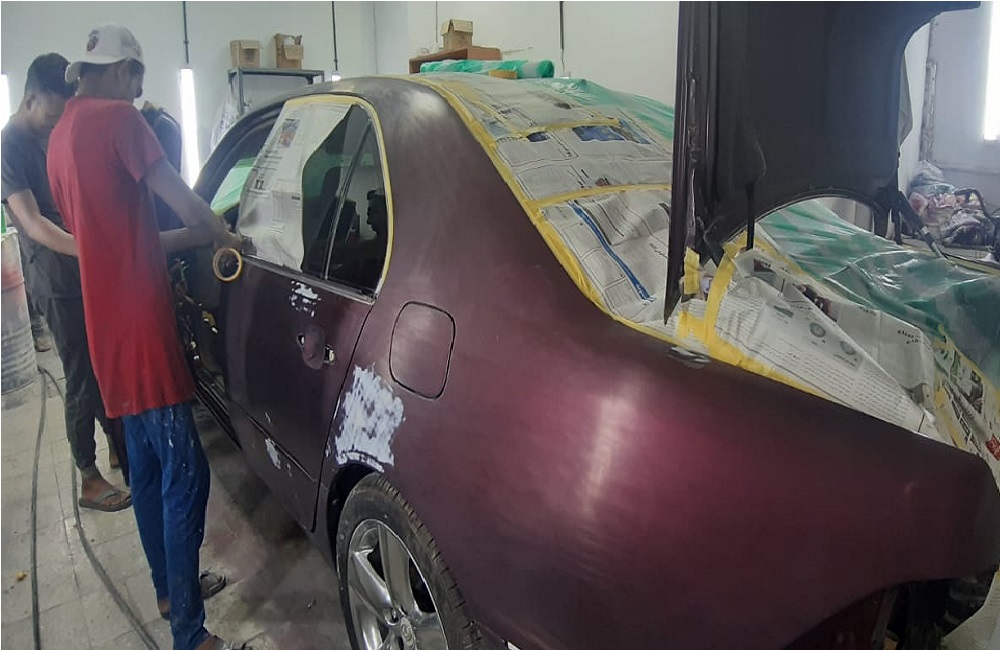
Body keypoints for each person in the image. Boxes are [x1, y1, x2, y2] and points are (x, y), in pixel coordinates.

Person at [47, 26, 249, 650]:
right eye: (137, 77)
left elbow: (122, 239)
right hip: (142, 331)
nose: (139, 92)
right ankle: (189, 632)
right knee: (187, 476)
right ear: (120, 71)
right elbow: (185, 202)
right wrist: (225, 234)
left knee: (149, 472)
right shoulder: (119, 121)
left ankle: (168, 591)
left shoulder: (60, 138)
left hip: (106, 332)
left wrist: (199, 235)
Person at [1, 53, 129, 510]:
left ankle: (115, 444)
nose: (57, 124)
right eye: (52, 114)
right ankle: (88, 476)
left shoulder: (48, 133)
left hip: (78, 263)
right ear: (31, 99)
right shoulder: (10, 145)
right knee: (79, 374)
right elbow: (33, 222)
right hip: (53, 276)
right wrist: (91, 250)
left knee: (100, 362)